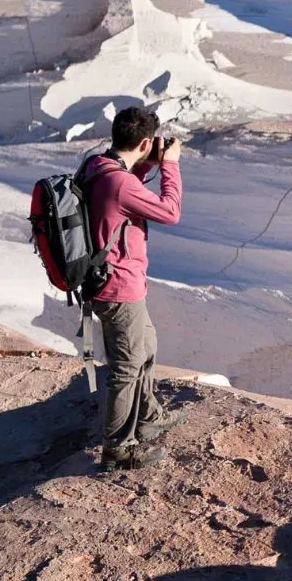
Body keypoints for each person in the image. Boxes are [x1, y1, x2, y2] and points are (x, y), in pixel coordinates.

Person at [80, 106, 185, 471]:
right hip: (119, 287)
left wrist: (144, 162)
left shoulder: (99, 167)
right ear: (144, 142)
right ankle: (118, 449)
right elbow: (170, 212)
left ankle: (148, 416)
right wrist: (169, 164)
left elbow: (124, 189)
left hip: (116, 283)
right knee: (126, 367)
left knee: (147, 344)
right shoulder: (120, 183)